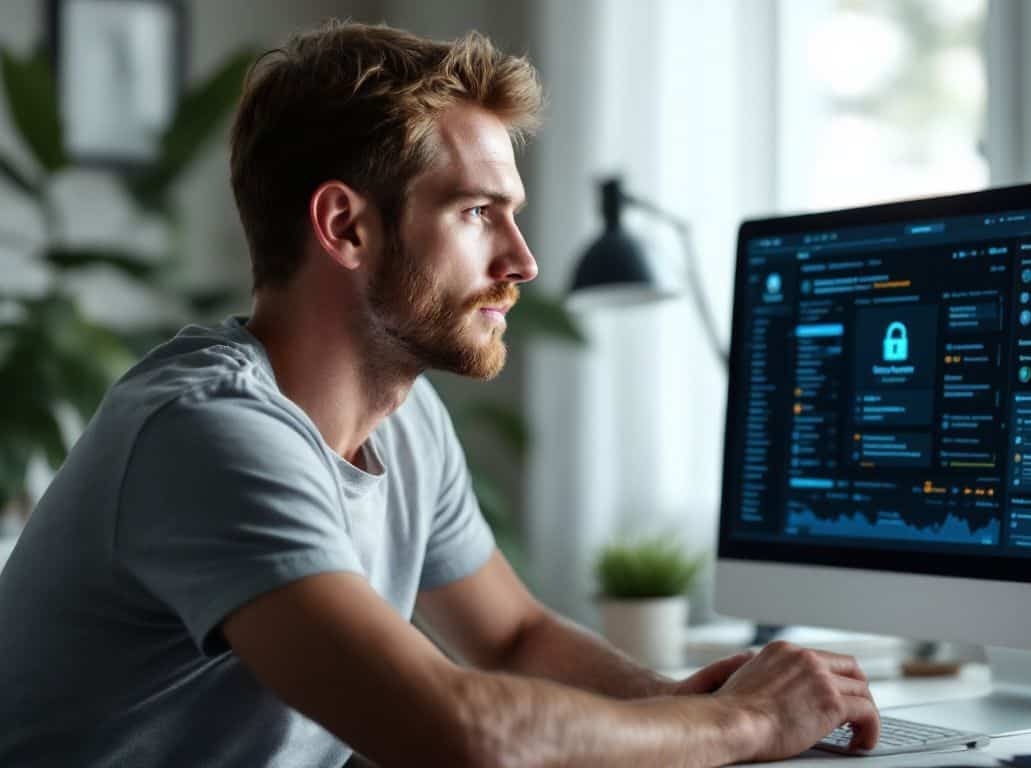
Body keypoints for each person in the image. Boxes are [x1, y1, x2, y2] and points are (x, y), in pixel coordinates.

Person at [0, 21, 879, 767]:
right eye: (476, 213)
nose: (522, 263)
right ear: (346, 226)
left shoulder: (403, 414)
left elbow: (513, 639)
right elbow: (458, 731)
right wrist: (748, 721)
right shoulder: (210, 431)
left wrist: (681, 700)